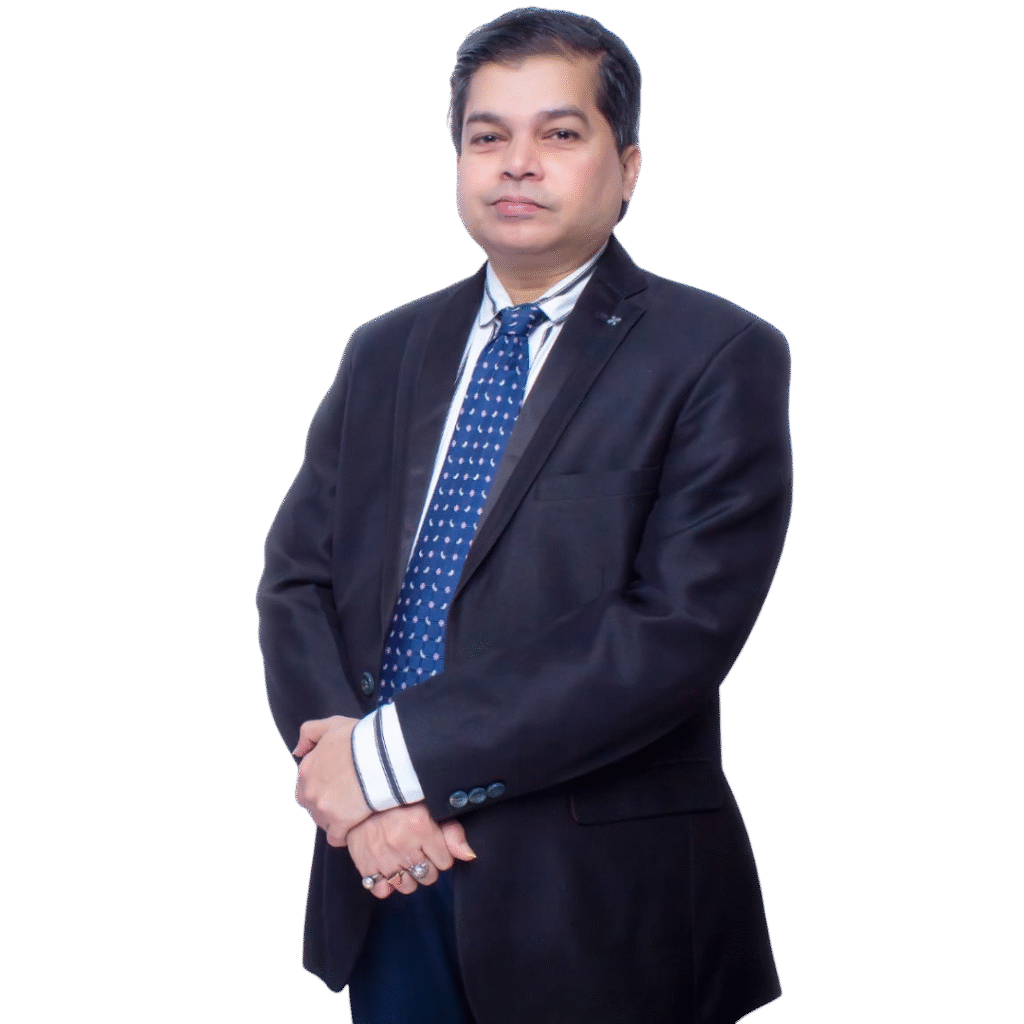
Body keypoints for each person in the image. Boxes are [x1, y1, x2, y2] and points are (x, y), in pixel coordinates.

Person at [257, 8, 792, 1024]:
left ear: (627, 167)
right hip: (386, 874)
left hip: (593, 898)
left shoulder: (716, 358)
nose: (517, 163)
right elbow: (298, 581)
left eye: (560, 133)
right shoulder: (385, 353)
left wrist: (384, 763)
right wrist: (358, 799)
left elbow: (674, 632)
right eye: (487, 135)